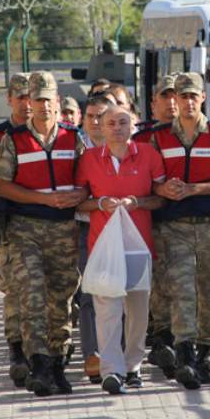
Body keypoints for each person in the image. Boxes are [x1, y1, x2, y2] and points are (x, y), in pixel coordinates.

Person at [0, 71, 88, 397]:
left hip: (64, 230)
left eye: (50, 100)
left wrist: (79, 195)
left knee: (60, 299)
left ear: (58, 103)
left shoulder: (74, 138)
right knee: (32, 296)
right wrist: (44, 198)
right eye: (38, 100)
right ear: (28, 104)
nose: (44, 106)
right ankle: (39, 365)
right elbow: (3, 185)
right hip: (25, 231)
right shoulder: (14, 140)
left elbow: (89, 177)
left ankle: (58, 364)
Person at [151, 72, 210, 390]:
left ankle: (204, 354)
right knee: (181, 291)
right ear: (174, 99)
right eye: (182, 96)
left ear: (203, 97)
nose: (188, 101)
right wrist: (162, 189)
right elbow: (149, 177)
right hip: (173, 227)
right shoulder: (158, 136)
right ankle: (185, 356)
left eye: (194, 96)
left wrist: (194, 189)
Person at [75, 105, 166, 394]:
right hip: (103, 246)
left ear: (133, 126)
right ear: (100, 127)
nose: (116, 127)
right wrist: (100, 203)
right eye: (111, 122)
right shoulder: (88, 159)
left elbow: (160, 199)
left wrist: (137, 202)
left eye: (123, 122)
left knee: (138, 310)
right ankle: (111, 370)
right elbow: (80, 201)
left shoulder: (149, 155)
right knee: (107, 310)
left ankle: (133, 365)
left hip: (139, 247)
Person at [0, 72, 32, 388]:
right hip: (10, 221)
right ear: (9, 100)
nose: (27, 104)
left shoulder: (50, 132)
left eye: (32, 97)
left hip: (46, 222)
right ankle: (17, 350)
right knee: (13, 288)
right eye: (21, 97)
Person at [132, 74, 179, 380]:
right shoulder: (140, 139)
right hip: (154, 221)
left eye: (177, 96)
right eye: (166, 96)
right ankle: (163, 339)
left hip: (191, 219)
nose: (173, 102)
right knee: (160, 286)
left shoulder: (195, 132)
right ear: (154, 103)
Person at [75, 94, 115, 384]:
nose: (96, 122)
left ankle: (117, 355)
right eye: (90, 116)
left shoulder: (125, 149)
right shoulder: (74, 150)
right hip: (86, 227)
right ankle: (92, 354)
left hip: (120, 229)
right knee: (89, 293)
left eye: (102, 116)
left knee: (119, 293)